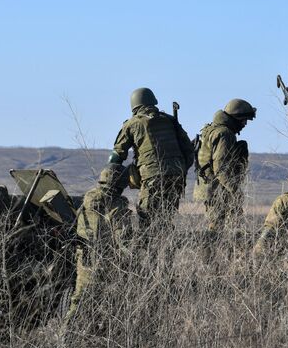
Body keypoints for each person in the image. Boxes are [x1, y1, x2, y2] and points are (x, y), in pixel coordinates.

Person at [109, 87, 194, 230]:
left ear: (134, 105)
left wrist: (109, 180)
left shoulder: (132, 124)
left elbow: (117, 155)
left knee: (146, 215)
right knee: (166, 216)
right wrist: (181, 168)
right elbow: (189, 149)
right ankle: (167, 247)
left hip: (152, 176)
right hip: (177, 175)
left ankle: (151, 249)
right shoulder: (170, 120)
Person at [64, 164, 133, 322]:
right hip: (106, 260)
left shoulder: (87, 200)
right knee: (112, 302)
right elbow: (122, 239)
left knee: (78, 299)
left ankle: (65, 336)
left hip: (84, 257)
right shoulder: (116, 205)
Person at [193, 99, 255, 231]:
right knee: (218, 230)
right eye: (243, 119)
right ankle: (214, 251)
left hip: (211, 186)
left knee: (218, 226)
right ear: (235, 118)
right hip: (218, 189)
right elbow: (221, 168)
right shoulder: (224, 134)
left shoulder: (211, 129)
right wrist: (234, 190)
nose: (245, 124)